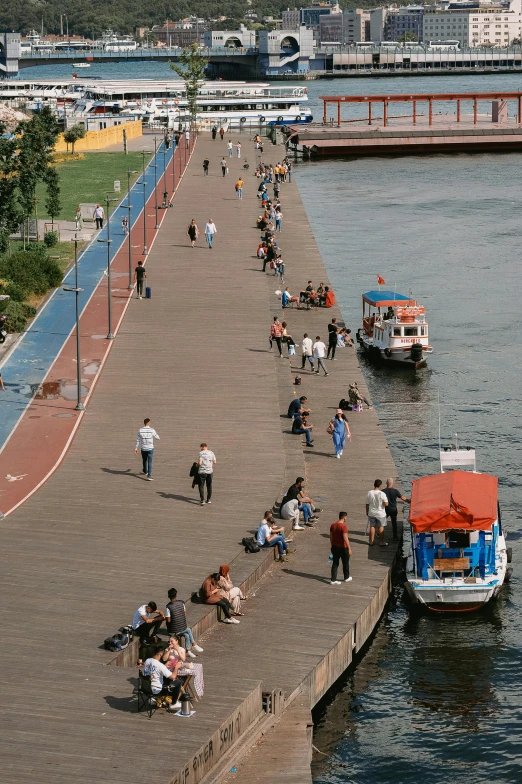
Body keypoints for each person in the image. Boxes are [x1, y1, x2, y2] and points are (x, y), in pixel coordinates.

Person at [165, 588, 204, 658]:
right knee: (188, 630)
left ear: (168, 596)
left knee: (186, 635)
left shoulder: (168, 607)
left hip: (174, 629)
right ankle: (194, 644)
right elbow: (184, 613)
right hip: (177, 630)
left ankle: (188, 651)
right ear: (176, 595)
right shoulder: (181, 603)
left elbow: (168, 620)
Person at [330, 512, 352, 585]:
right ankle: (346, 577)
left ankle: (333, 580)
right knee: (345, 563)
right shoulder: (343, 527)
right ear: (344, 517)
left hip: (335, 547)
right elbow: (345, 538)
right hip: (343, 547)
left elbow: (331, 537)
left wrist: (332, 545)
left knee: (335, 563)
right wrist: (349, 548)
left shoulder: (333, 525)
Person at [366, 479, 389, 547]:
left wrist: (367, 511)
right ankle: (381, 542)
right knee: (380, 527)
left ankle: (371, 541)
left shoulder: (369, 493)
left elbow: (367, 504)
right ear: (380, 486)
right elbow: (386, 504)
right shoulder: (382, 494)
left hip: (372, 512)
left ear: (374, 485)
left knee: (372, 526)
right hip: (380, 513)